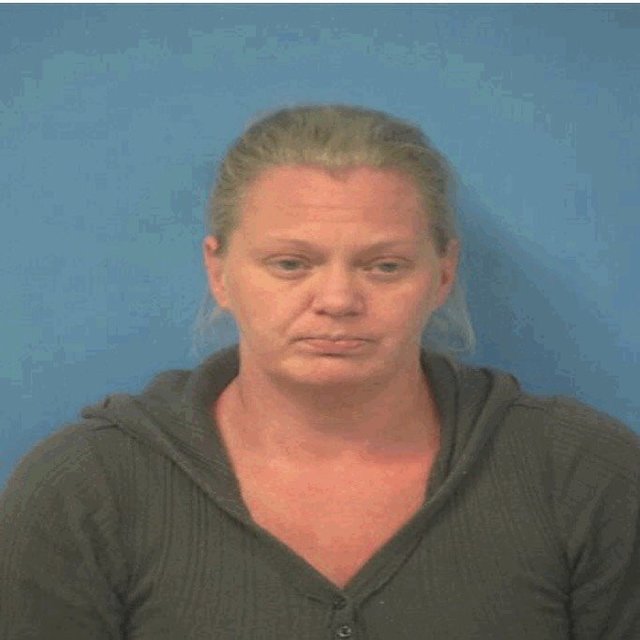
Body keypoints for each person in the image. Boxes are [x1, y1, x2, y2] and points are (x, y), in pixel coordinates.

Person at [1, 104, 638, 639]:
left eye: (384, 266)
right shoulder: (85, 489)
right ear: (219, 272)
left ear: (443, 274)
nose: (337, 299)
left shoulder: (586, 475)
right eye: (290, 264)